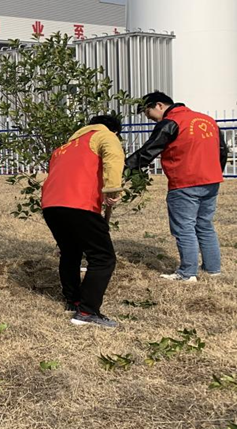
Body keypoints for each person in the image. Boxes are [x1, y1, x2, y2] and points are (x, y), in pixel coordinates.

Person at [125, 91, 228, 282]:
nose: (149, 118)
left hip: (184, 182)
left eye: (148, 112)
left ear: (159, 105)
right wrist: (215, 172)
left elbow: (149, 151)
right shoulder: (208, 121)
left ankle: (188, 273)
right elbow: (223, 150)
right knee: (205, 225)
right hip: (211, 181)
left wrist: (124, 169)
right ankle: (213, 269)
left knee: (184, 228)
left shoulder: (171, 122)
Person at [40, 115, 124, 328]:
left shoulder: (64, 147)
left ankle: (73, 300)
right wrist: (113, 189)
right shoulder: (104, 136)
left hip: (51, 205)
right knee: (103, 257)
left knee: (70, 252)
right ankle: (87, 311)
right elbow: (114, 158)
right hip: (79, 203)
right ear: (114, 130)